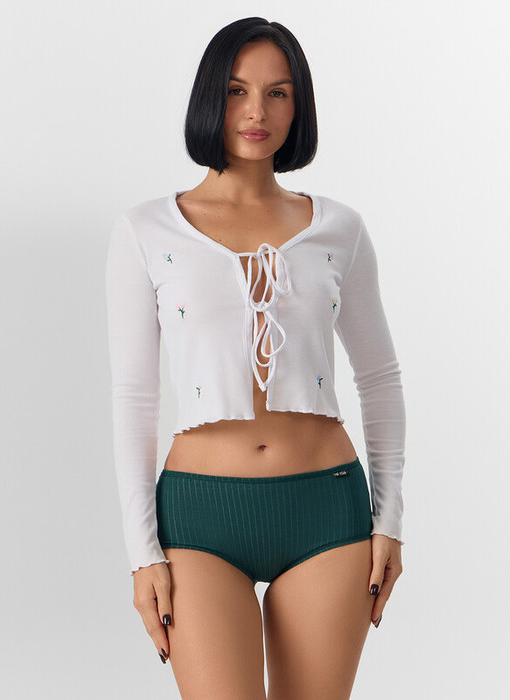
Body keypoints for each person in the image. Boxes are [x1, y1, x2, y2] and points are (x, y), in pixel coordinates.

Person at [105, 16, 406, 700]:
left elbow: (380, 378)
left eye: (278, 93)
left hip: (326, 511)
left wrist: (388, 519)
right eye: (237, 90)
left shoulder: (339, 228)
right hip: (199, 520)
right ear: (210, 96)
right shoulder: (146, 230)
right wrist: (141, 553)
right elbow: (134, 397)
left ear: (298, 107)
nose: (256, 113)